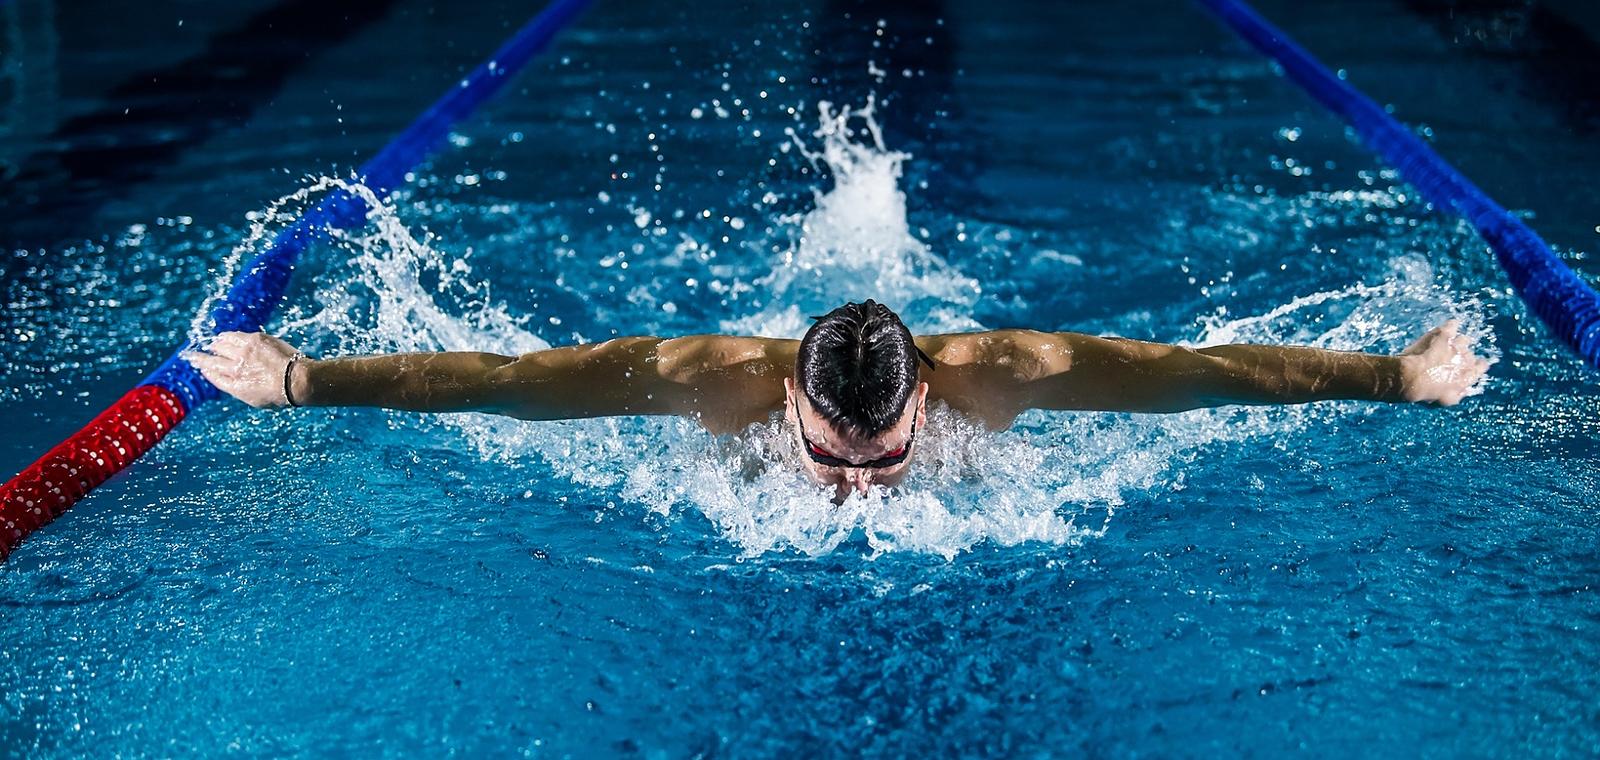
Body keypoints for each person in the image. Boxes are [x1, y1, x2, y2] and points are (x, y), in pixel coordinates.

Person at [187, 300, 1489, 501]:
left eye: (881, 459)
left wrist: (1396, 378)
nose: (853, 488)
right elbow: (511, 386)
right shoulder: (708, 382)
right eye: (830, 453)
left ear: (928, 392)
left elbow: (1208, 376)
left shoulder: (1012, 373)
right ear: (790, 405)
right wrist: (303, 380)